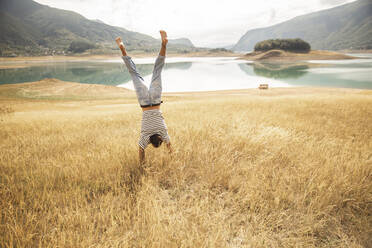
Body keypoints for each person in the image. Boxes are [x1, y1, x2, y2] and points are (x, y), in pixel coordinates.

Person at [116, 30, 172, 164]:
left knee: (157, 69)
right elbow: (141, 150)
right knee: (134, 74)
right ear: (150, 142)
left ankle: (164, 44)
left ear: (160, 139)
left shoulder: (163, 131)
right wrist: (142, 164)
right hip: (144, 102)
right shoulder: (145, 136)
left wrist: (170, 154)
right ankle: (122, 48)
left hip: (156, 99)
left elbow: (170, 146)